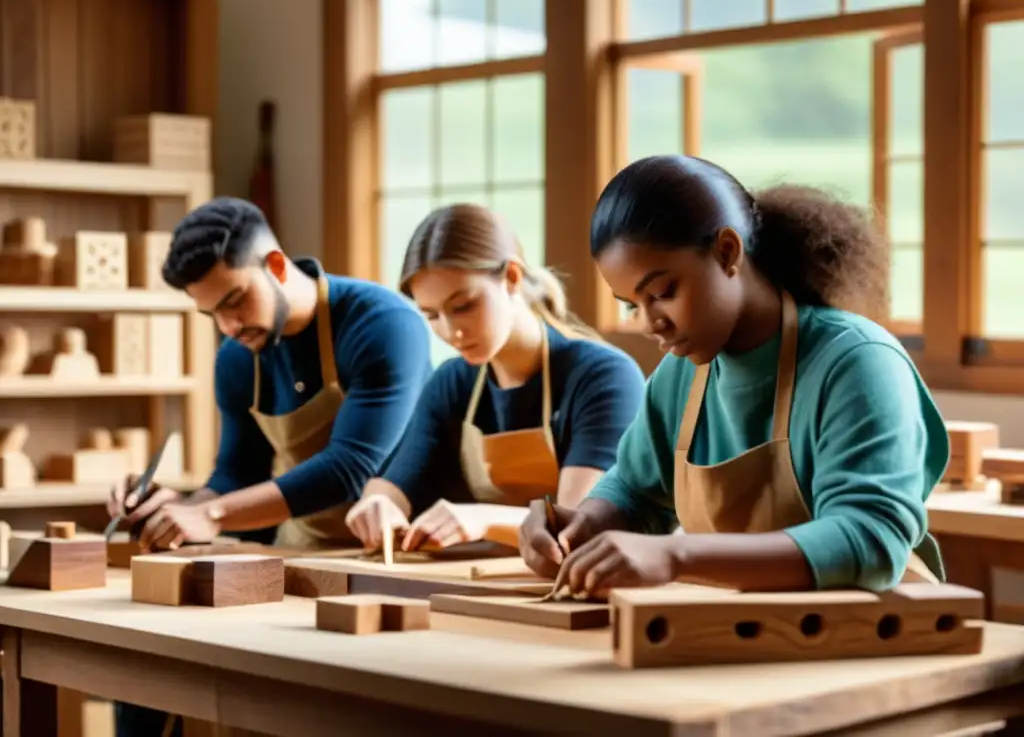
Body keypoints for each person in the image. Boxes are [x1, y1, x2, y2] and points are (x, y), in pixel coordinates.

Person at [519, 155, 949, 597]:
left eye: (663, 293)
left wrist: (676, 555)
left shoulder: (856, 360)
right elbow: (634, 491)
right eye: (632, 304)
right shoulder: (680, 375)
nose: (649, 323)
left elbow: (869, 541)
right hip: (751, 631)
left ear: (728, 252)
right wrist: (583, 525)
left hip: (874, 637)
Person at [110, 197, 433, 736]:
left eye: (236, 300)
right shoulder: (238, 357)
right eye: (211, 313)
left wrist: (211, 516)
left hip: (397, 566)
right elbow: (236, 474)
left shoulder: (381, 323)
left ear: (277, 266)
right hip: (297, 555)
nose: (229, 326)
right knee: (144, 665)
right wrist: (177, 505)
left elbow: (351, 467)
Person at [344, 203, 645, 553]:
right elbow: (396, 483)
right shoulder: (452, 382)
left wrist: (482, 519)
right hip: (494, 580)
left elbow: (578, 525)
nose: (451, 332)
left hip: (593, 581)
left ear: (512, 278)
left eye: (464, 306)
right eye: (431, 315)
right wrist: (377, 504)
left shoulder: (604, 377)